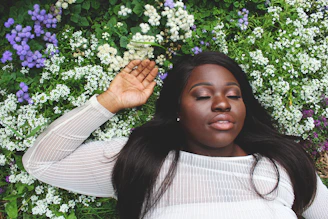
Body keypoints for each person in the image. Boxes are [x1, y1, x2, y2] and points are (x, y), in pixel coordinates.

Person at [23, 51, 328, 219]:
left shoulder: (283, 167)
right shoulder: (144, 163)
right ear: (177, 110)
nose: (222, 103)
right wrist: (107, 103)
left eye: (233, 95)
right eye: (202, 96)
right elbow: (41, 163)